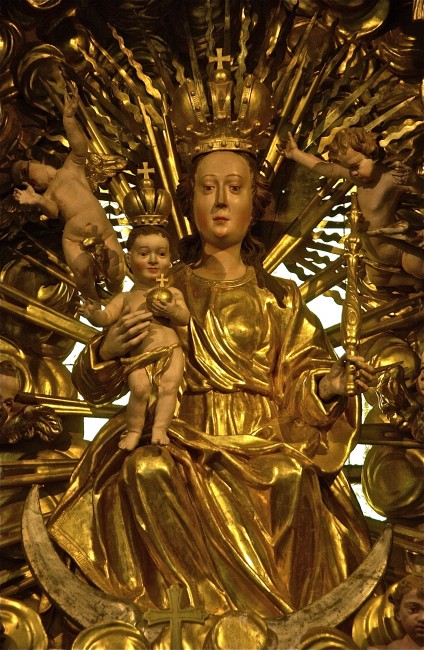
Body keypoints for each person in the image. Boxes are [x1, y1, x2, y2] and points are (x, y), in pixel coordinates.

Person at [48, 149, 375, 622]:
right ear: (191, 202)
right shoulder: (161, 288)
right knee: (144, 469)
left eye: (235, 188)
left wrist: (330, 384)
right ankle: (184, 610)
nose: (221, 201)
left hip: (262, 439)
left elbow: (300, 379)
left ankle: (277, 622)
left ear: (254, 204)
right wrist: (108, 349)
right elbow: (94, 386)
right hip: (179, 433)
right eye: (208, 188)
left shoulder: (279, 297)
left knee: (289, 474)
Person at [11, 83, 126, 305]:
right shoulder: (49, 194)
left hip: (102, 230)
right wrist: (36, 200)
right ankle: (94, 306)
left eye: (25, 171)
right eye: (22, 182)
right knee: (82, 274)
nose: (27, 180)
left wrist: (69, 120)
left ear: (34, 159)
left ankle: (119, 300)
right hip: (73, 239)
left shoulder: (71, 168)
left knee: (117, 270)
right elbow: (53, 212)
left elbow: (80, 147)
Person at [80, 225, 190, 448]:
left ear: (170, 260)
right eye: (144, 253)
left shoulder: (173, 293)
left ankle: (160, 429)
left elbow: (185, 317)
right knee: (139, 390)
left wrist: (171, 311)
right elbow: (107, 317)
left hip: (170, 350)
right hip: (138, 357)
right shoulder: (126, 298)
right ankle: (134, 431)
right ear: (129, 260)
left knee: (169, 388)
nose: (153, 260)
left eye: (161, 254)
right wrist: (94, 314)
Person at [284, 128, 424, 289]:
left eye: (356, 166)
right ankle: (414, 283)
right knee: (377, 280)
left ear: (372, 155)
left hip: (397, 251)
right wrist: (295, 153)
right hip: (372, 255)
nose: (354, 173)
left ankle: (417, 279)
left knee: (416, 266)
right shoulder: (358, 179)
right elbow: (328, 168)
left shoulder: (391, 179)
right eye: (350, 169)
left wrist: (414, 180)